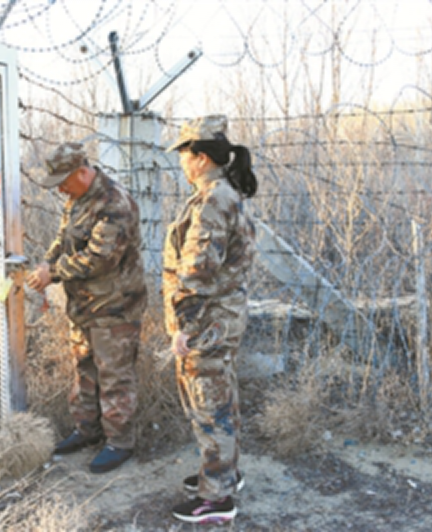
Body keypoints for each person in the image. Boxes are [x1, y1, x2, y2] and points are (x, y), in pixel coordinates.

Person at [27, 141, 147, 474]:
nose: (61, 190)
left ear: (82, 172)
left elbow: (100, 258)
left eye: (64, 182)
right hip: (85, 306)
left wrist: (53, 273)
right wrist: (48, 261)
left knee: (115, 375)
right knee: (85, 370)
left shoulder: (114, 203)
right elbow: (63, 238)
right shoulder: (78, 199)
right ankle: (87, 430)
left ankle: (119, 442)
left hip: (114, 308)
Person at [162, 115, 257, 524]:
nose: (181, 162)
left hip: (207, 321)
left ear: (200, 157)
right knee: (221, 399)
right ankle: (223, 473)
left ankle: (216, 498)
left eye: (184, 154)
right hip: (221, 316)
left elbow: (198, 269)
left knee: (209, 405)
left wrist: (184, 327)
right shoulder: (222, 194)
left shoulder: (213, 200)